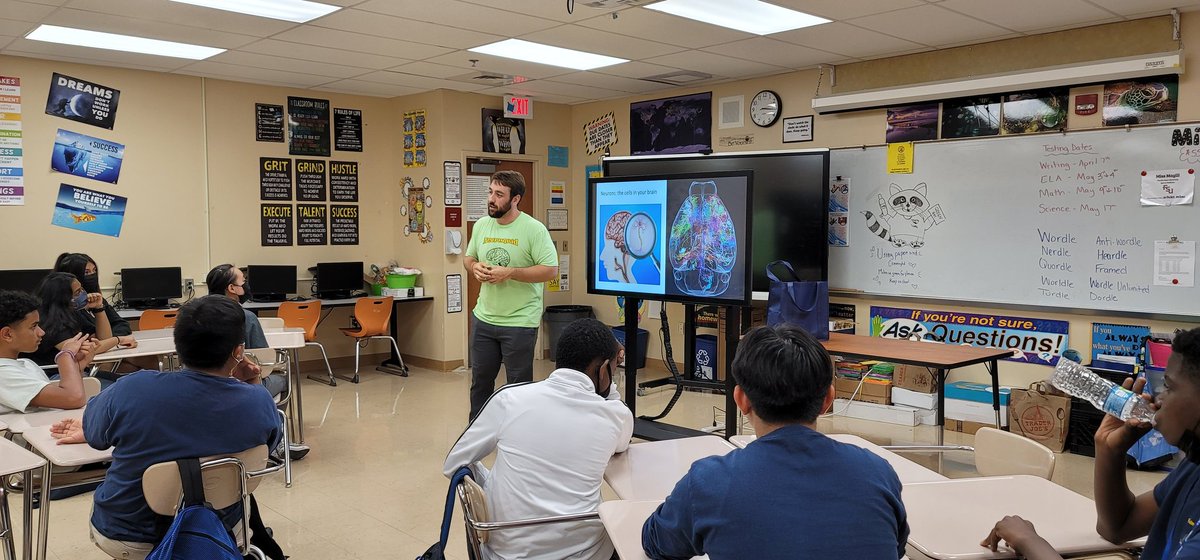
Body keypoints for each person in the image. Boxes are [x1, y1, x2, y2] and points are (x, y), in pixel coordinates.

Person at [641, 324, 910, 559]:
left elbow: (656, 543)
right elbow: (895, 548)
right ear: (828, 400)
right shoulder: (878, 472)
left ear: (741, 399)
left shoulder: (708, 483)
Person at [49, 295, 282, 559]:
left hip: (129, 534)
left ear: (177, 344)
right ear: (238, 351)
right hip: (220, 528)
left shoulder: (131, 388)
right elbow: (267, 448)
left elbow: (95, 436)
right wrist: (251, 384)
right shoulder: (257, 399)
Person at [981, 327, 1200, 560]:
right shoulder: (1192, 469)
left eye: (1169, 386)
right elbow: (1118, 528)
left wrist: (1029, 541)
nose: (1159, 398)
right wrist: (1110, 449)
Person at [443, 317, 633, 560]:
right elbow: (621, 442)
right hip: (586, 553)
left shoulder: (509, 399)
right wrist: (610, 381)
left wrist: (490, 487)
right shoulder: (616, 415)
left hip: (504, 554)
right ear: (604, 368)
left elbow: (453, 464)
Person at [463, 170, 558, 419]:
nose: (491, 199)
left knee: (518, 388)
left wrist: (511, 272)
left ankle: (518, 435)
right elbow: (468, 257)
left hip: (519, 322)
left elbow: (550, 270)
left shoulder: (533, 229)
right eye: (490, 192)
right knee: (480, 383)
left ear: (515, 199)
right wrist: (474, 267)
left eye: (499, 194)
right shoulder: (482, 225)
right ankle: (477, 434)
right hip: (484, 319)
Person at [206, 264, 309, 460]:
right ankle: (275, 439)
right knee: (283, 377)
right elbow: (262, 361)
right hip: (239, 383)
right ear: (232, 289)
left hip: (202, 383)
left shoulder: (194, 313)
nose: (246, 287)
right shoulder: (246, 317)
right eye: (243, 282)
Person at [0, 289, 94, 413]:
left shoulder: (26, 363)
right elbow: (73, 398)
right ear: (7, 334)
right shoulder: (4, 373)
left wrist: (75, 368)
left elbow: (62, 400)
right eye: (33, 326)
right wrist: (65, 356)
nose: (41, 332)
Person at [28, 272, 134, 367]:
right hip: (55, 377)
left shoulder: (73, 313)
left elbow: (104, 339)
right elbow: (85, 350)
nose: (84, 293)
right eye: (78, 292)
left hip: (77, 371)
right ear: (63, 297)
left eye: (82, 289)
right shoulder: (48, 322)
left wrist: (99, 308)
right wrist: (119, 340)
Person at [52, 252, 132, 337]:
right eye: (86, 272)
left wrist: (111, 338)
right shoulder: (71, 306)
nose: (92, 275)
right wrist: (110, 339)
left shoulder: (97, 299)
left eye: (94, 271)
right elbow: (92, 336)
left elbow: (122, 324)